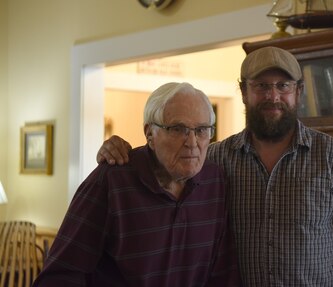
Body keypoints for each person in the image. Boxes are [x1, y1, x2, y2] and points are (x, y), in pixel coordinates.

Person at [96, 47, 333, 286]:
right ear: (244, 92)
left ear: (299, 92)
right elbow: (166, 164)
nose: (273, 96)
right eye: (261, 86)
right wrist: (121, 150)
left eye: (283, 86)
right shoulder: (214, 160)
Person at [33, 82, 241, 287]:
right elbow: (60, 276)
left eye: (202, 130)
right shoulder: (111, 182)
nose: (192, 142)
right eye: (178, 129)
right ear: (150, 133)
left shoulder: (215, 182)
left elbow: (223, 275)